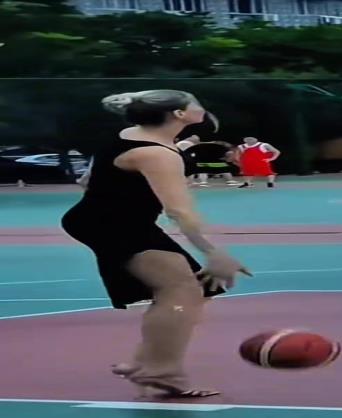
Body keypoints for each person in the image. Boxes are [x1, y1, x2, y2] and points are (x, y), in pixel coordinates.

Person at [61, 90, 251, 399]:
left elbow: (86, 180)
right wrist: (214, 253)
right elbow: (179, 211)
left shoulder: (131, 135)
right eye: (195, 103)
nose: (201, 107)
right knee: (181, 289)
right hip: (113, 223)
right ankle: (161, 372)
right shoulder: (157, 154)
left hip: (111, 218)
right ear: (179, 114)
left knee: (192, 290)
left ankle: (147, 363)